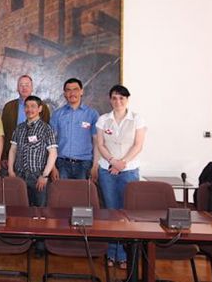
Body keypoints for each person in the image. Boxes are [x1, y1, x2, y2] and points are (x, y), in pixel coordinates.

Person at [96, 84, 146, 269]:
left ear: (127, 99)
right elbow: (100, 144)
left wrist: (122, 163)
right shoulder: (103, 120)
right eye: (115, 98)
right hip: (107, 170)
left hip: (129, 171)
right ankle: (111, 253)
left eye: (121, 98)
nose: (118, 101)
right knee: (111, 212)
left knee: (126, 214)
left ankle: (125, 255)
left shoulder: (137, 119)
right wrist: (112, 161)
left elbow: (138, 145)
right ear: (110, 100)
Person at [8, 95, 57, 207]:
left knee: (39, 211)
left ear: (40, 109)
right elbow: (13, 150)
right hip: (19, 175)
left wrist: (44, 176)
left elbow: (53, 153)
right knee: (19, 209)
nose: (29, 109)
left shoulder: (46, 128)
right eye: (27, 106)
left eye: (33, 106)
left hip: (37, 176)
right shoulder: (19, 128)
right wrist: (11, 171)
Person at [50, 78, 99, 181]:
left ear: (81, 91)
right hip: (61, 164)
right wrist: (52, 167)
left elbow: (96, 142)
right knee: (62, 196)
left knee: (82, 196)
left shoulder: (92, 114)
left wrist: (95, 166)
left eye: (75, 89)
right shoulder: (57, 114)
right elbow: (50, 142)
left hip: (85, 165)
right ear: (64, 93)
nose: (72, 93)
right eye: (68, 90)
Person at [1, 75, 51, 173]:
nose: (24, 88)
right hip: (13, 154)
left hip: (36, 159)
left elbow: (47, 135)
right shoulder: (9, 107)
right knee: (14, 186)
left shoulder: (43, 107)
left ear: (32, 87)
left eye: (27, 85)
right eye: (21, 85)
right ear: (17, 88)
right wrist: (4, 156)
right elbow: (4, 133)